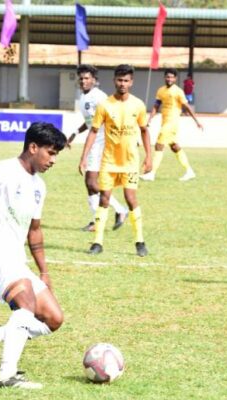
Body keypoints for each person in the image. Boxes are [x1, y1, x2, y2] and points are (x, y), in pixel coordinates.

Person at [0, 122, 67, 389]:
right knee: (26, 307)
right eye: (50, 153)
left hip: (17, 261)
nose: (53, 160)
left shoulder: (39, 186)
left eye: (56, 155)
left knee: (53, 319)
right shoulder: (2, 170)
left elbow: (35, 231)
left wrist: (43, 271)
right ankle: (7, 375)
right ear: (33, 147)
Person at [81, 64, 152, 257]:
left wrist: (149, 158)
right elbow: (93, 131)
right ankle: (97, 242)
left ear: (131, 82)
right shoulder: (105, 105)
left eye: (126, 80)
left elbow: (145, 131)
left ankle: (140, 241)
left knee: (130, 199)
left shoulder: (138, 105)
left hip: (130, 161)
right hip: (109, 161)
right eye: (119, 80)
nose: (123, 84)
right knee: (104, 199)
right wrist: (84, 157)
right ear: (114, 80)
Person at [65, 64, 129, 233]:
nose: (83, 81)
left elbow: (114, 116)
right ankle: (96, 221)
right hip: (96, 142)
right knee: (90, 183)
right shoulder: (84, 97)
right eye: (81, 78)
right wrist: (74, 133)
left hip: (103, 143)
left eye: (87, 78)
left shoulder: (99, 96)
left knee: (91, 181)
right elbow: (91, 122)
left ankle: (120, 210)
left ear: (94, 80)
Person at [140, 68, 203, 182]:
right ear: (164, 77)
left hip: (172, 123)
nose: (169, 79)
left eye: (172, 77)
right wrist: (149, 119)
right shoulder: (161, 90)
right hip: (164, 122)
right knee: (174, 147)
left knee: (159, 145)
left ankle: (151, 173)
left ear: (175, 78)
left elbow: (187, 107)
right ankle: (189, 171)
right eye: (167, 77)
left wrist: (196, 121)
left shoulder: (178, 91)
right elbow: (156, 106)